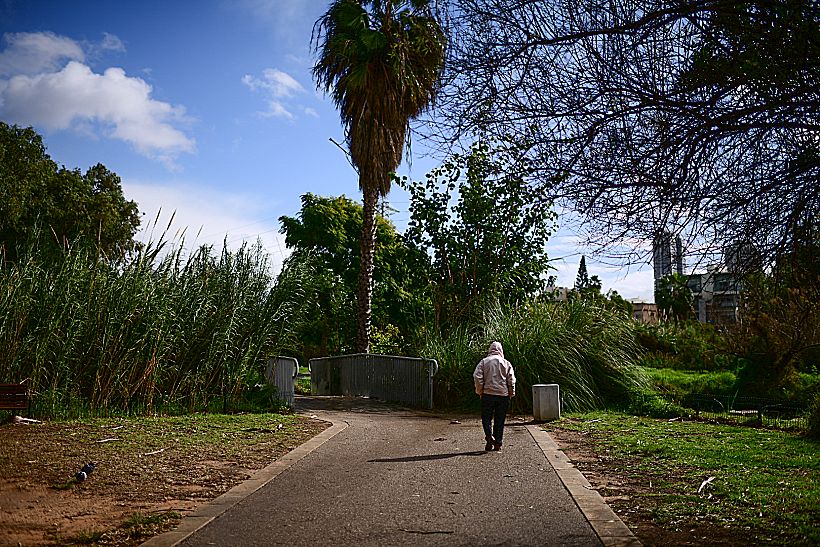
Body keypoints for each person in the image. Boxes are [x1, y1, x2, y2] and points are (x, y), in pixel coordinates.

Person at [473, 341, 516, 451]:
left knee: (486, 417)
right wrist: (511, 393)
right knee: (500, 419)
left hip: (488, 394)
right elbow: (511, 380)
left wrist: (480, 391)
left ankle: (489, 436)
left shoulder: (484, 362)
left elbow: (477, 377)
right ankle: (498, 443)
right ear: (501, 350)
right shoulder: (506, 363)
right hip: (503, 395)